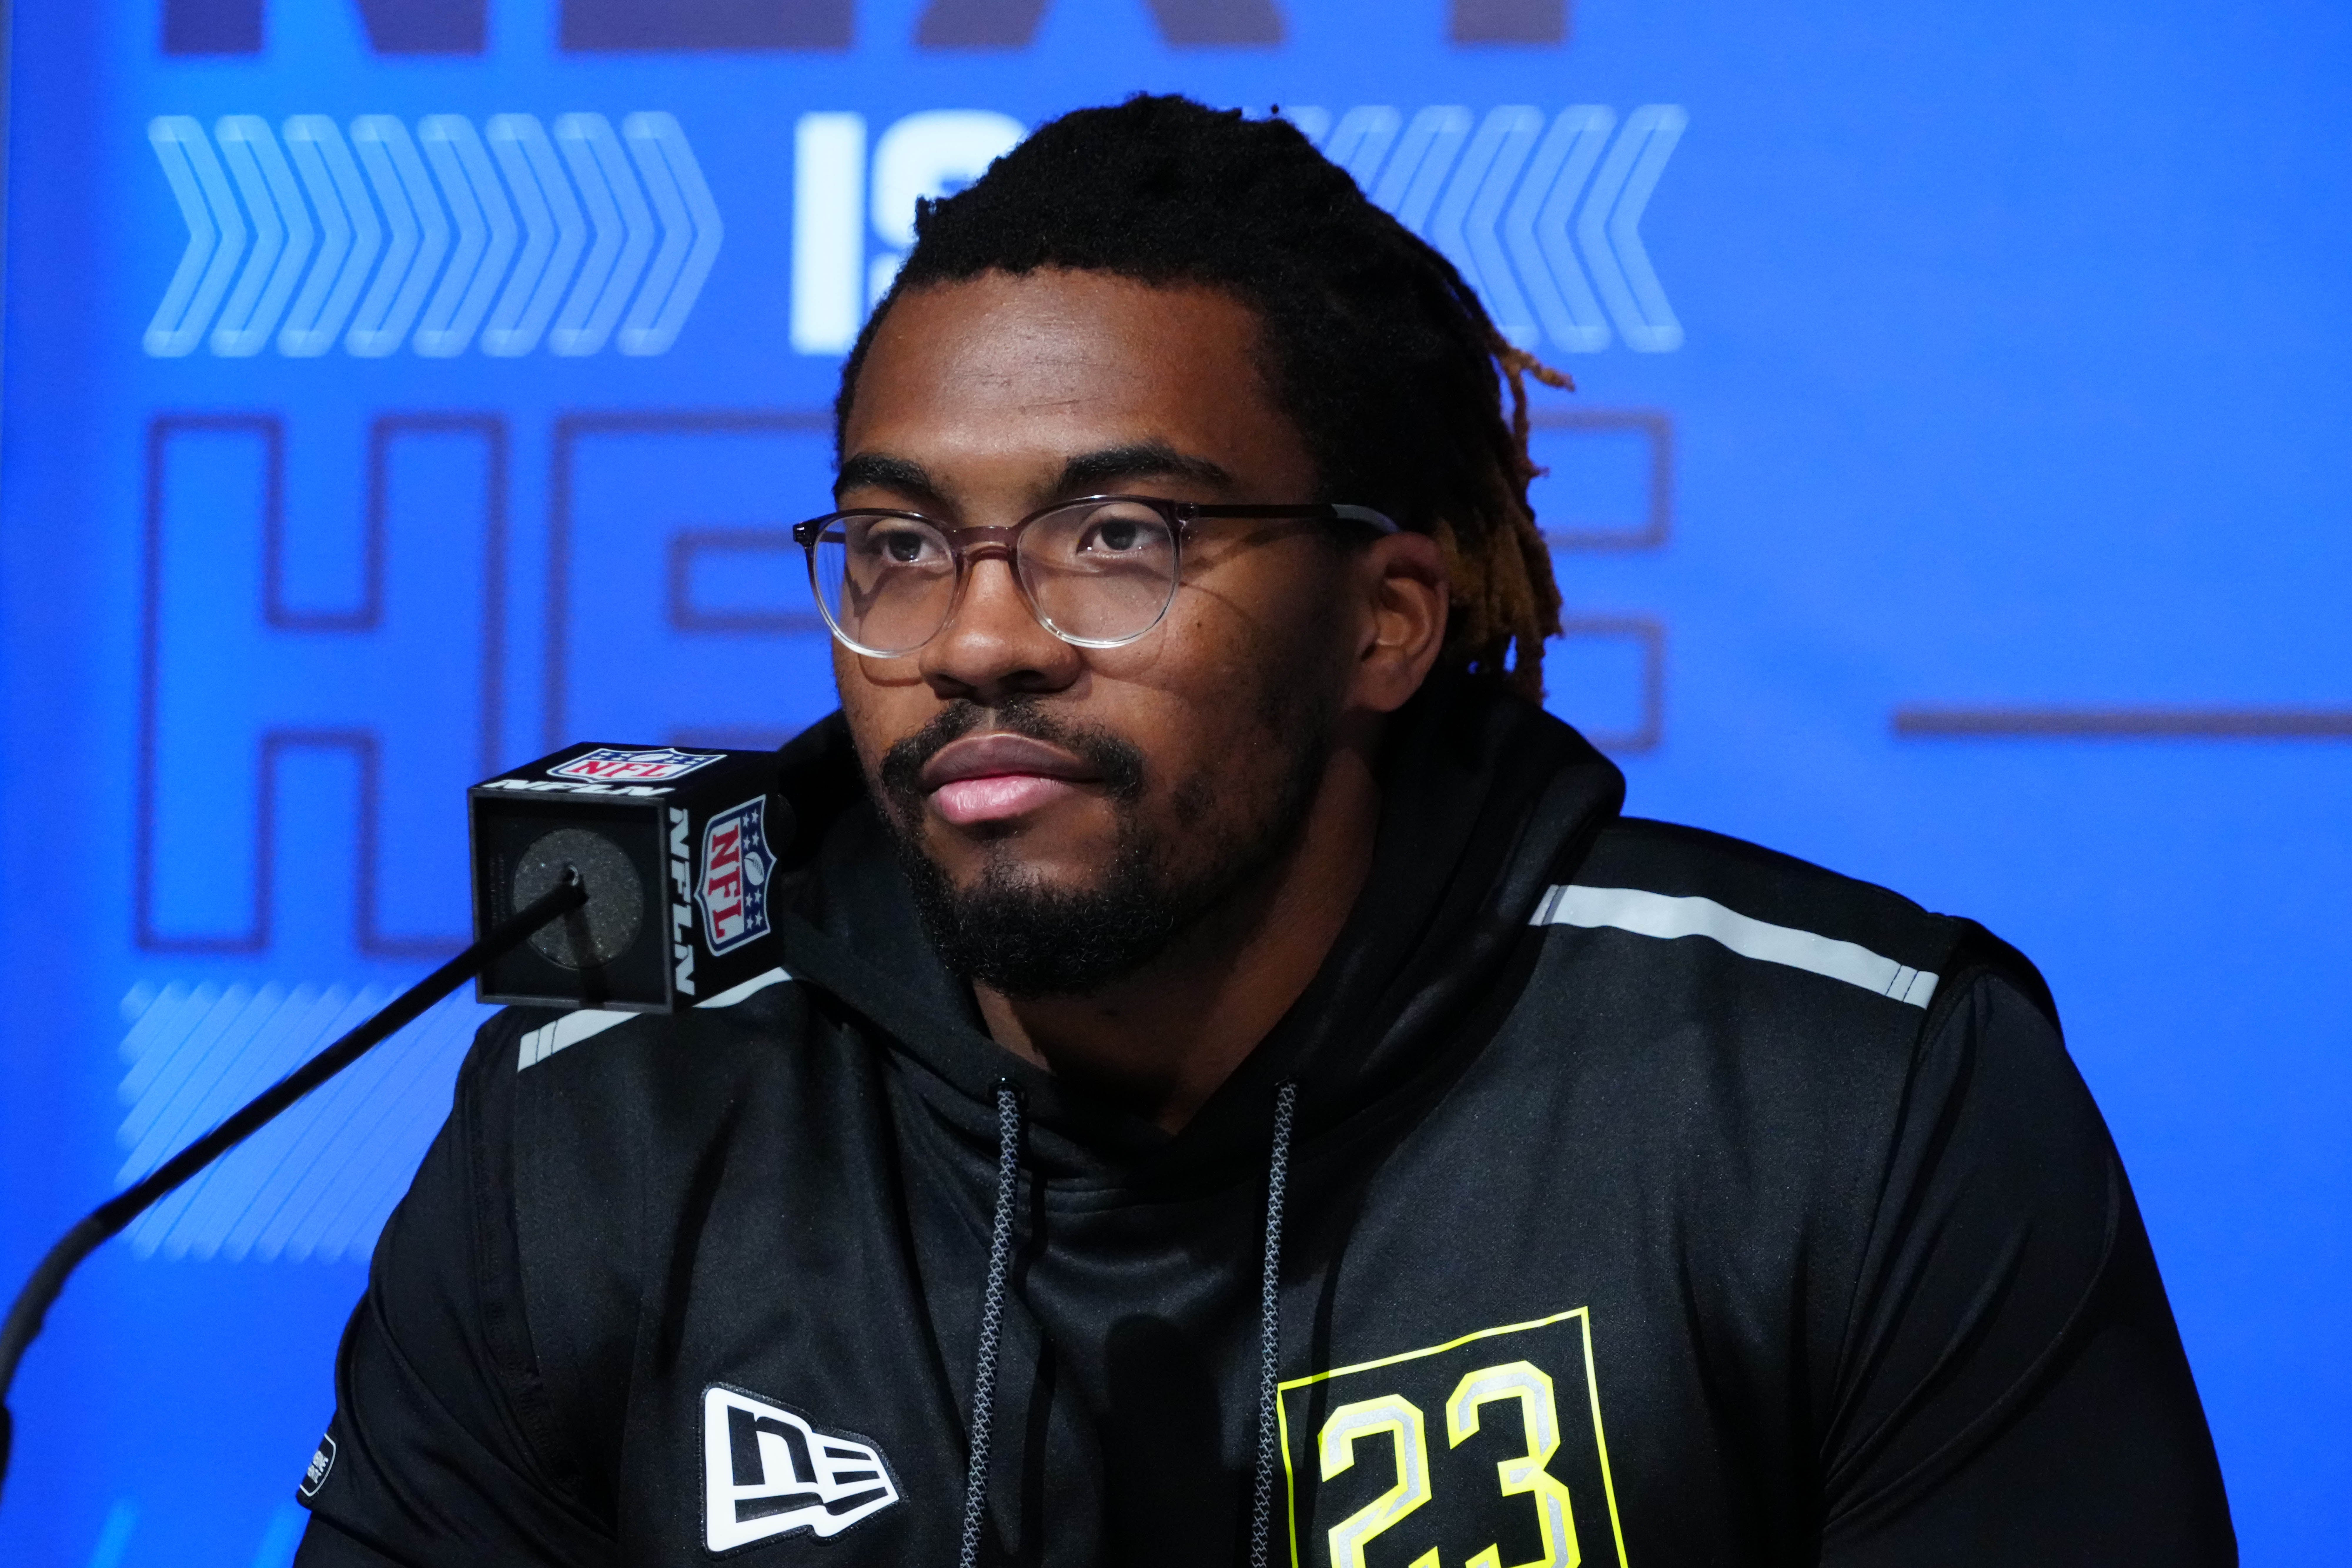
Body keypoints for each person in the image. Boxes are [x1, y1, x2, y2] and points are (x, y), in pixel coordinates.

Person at [292, 95, 2234, 1567]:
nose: (975, 638)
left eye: (1116, 536)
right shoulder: (602, 1128)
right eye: (896, 543)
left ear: (1384, 621)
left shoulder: (1843, 1098)